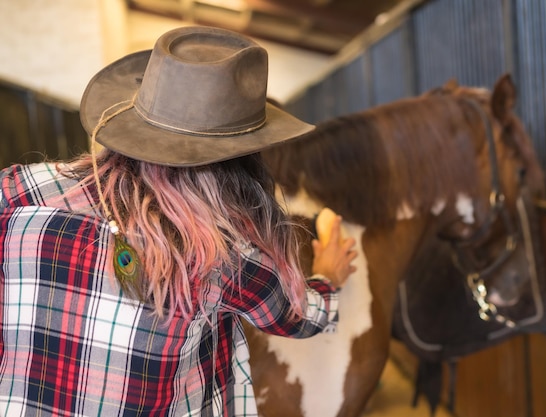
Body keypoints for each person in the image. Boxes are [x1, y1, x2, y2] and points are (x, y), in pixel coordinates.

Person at [0, 26, 357, 416]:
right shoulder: (226, 254)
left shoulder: (17, 189)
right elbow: (297, 317)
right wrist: (329, 276)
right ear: (242, 160)